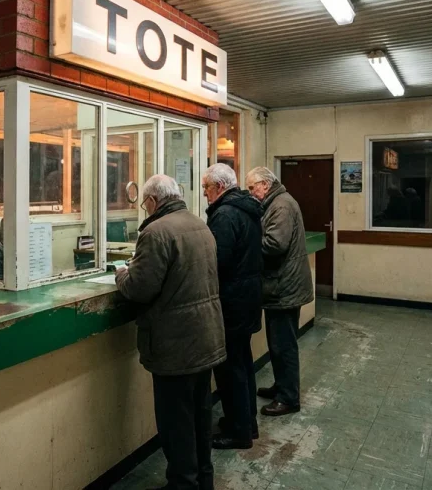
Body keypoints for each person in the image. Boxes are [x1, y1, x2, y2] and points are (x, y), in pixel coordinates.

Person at [116, 174, 226, 490]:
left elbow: (140, 288)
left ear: (151, 201)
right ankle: (203, 479)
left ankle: (182, 483)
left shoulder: (155, 233)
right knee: (200, 417)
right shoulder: (199, 224)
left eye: (144, 204)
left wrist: (122, 274)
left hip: (175, 344)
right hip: (205, 336)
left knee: (175, 423)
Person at [202, 164, 263, 450]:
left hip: (231, 302)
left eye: (206, 188)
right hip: (247, 297)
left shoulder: (225, 215)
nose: (204, 194)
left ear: (220, 187)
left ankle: (239, 432)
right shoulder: (246, 209)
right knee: (243, 365)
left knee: (230, 370)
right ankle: (246, 422)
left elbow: (217, 261)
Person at [245, 166, 314, 416]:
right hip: (281, 285)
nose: (250, 192)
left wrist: (248, 241)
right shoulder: (277, 201)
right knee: (277, 344)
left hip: (284, 287)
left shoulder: (281, 205)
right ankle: (281, 386)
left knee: (283, 345)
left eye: (252, 187)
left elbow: (275, 244)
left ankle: (289, 398)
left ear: (265, 184)